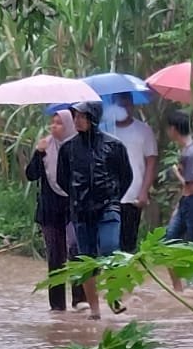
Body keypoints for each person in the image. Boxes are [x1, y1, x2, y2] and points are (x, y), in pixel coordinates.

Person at [56, 100, 132, 320]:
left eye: (82, 116)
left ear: (93, 118)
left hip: (108, 206)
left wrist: (113, 197)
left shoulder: (113, 145)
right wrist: (77, 197)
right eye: (76, 116)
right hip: (81, 210)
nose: (77, 120)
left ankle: (114, 297)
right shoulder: (68, 148)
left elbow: (126, 176)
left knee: (110, 250)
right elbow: (63, 179)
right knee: (87, 260)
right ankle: (95, 310)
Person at [25, 110, 86, 312]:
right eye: (52, 123)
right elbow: (31, 175)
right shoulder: (46, 146)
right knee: (55, 257)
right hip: (50, 210)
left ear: (68, 125)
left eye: (59, 123)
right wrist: (38, 153)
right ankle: (57, 306)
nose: (53, 127)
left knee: (76, 251)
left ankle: (80, 298)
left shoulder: (79, 147)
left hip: (73, 208)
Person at [163, 112, 193, 291]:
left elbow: (191, 185)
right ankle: (179, 289)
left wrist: (176, 173)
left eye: (169, 128)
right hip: (189, 201)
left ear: (174, 129)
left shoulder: (190, 153)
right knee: (169, 242)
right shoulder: (190, 149)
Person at [109, 92, 158, 253]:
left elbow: (151, 162)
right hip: (108, 195)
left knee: (128, 242)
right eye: (120, 105)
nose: (124, 108)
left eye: (127, 104)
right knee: (109, 242)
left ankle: (125, 276)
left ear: (132, 106)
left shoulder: (143, 130)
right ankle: (111, 276)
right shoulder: (106, 130)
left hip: (133, 195)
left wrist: (144, 191)